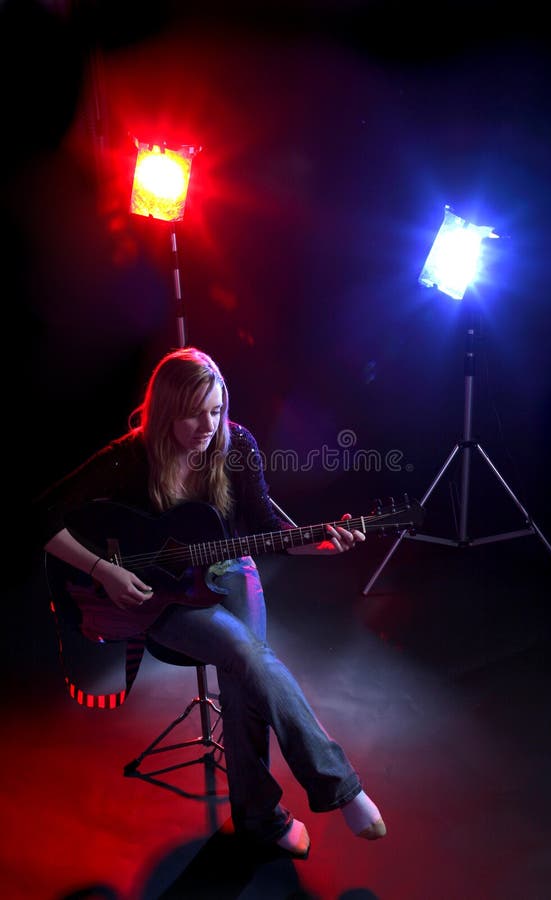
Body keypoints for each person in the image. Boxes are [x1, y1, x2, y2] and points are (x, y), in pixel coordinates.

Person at [35, 346, 386, 859]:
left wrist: (324, 541)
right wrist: (102, 570)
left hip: (227, 567)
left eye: (217, 409)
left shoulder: (235, 445)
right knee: (246, 656)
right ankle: (338, 789)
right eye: (194, 412)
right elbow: (40, 516)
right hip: (159, 594)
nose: (208, 423)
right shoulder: (129, 457)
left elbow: (268, 532)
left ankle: (258, 818)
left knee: (247, 676)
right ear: (165, 411)